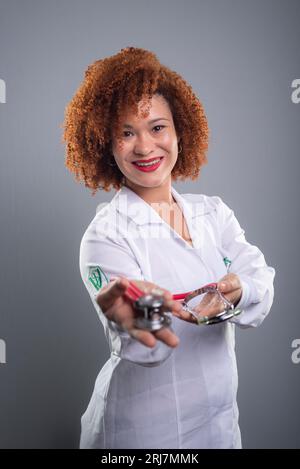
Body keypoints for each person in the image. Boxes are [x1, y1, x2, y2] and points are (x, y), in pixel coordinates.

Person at [63, 47, 275, 449]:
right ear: (105, 145)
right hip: (142, 435)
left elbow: (260, 283)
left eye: (157, 127)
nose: (145, 147)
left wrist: (239, 290)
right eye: (126, 133)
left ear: (180, 131)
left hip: (220, 426)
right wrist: (135, 318)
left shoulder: (214, 213)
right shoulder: (105, 234)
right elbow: (148, 346)